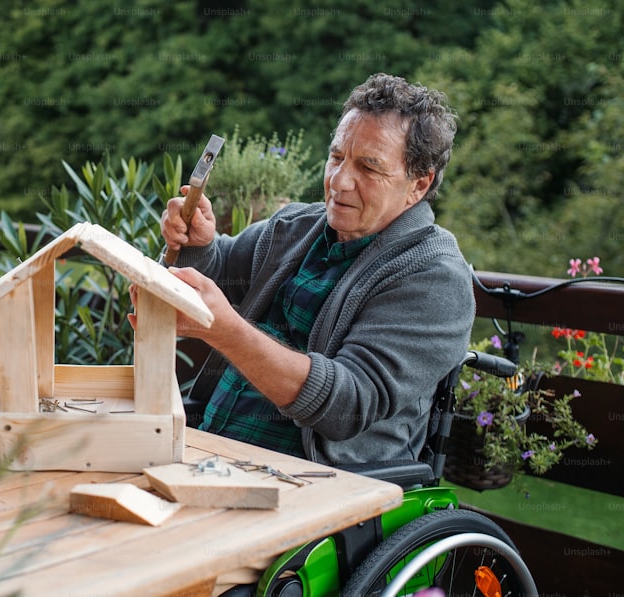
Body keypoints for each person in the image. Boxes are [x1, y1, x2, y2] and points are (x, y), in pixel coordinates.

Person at [150, 73, 474, 466]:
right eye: (337, 157)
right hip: (210, 450)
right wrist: (199, 246)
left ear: (418, 186)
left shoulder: (435, 278)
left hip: (317, 481)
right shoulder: (295, 226)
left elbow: (347, 406)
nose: (339, 181)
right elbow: (221, 271)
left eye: (369, 168)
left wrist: (228, 332)